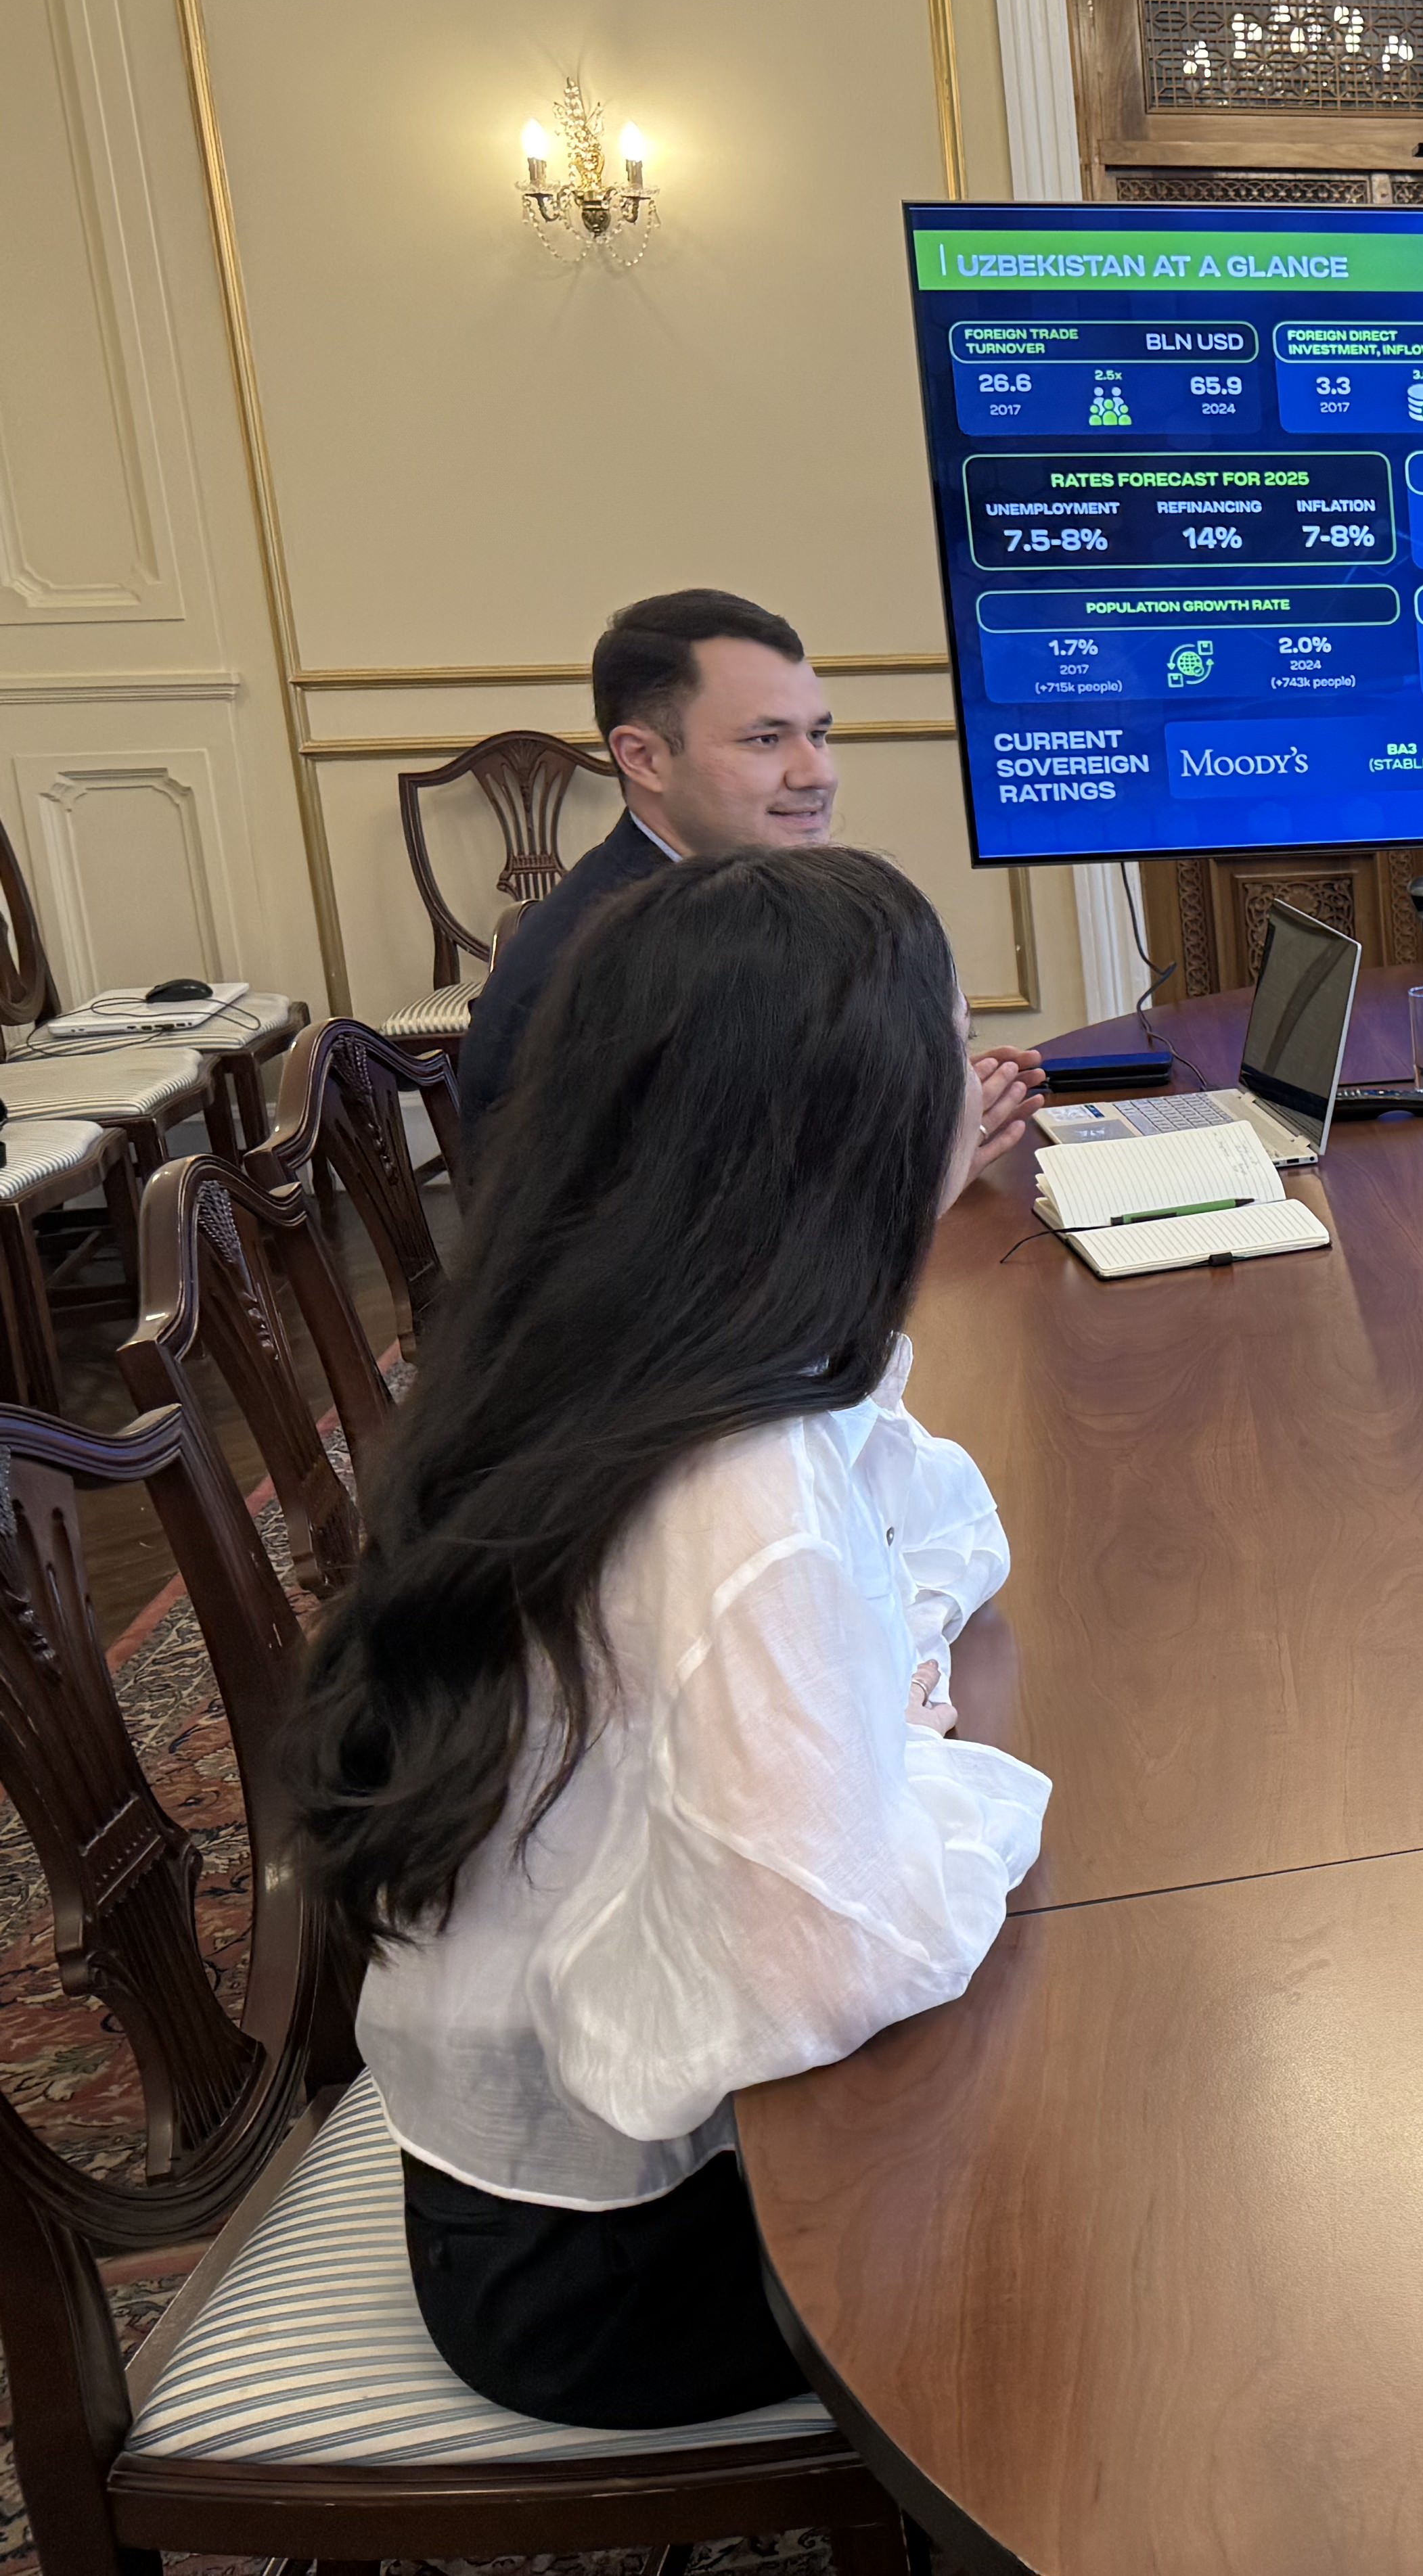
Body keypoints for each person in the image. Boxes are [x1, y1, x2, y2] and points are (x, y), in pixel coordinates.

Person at [284, 848, 1051, 2426]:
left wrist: (882, 1699)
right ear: (854, 1122)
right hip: (606, 2267)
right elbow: (828, 1965)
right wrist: (940, 1775)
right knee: (1126, 2198)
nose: (968, 1101)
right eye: (950, 1055)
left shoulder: (635, 1339)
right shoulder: (741, 1483)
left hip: (516, 2167)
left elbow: (938, 1526)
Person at [453, 589, 1041, 1165]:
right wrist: (933, 1166)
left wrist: (927, 1117)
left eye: (818, 735)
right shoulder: (616, 959)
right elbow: (710, 1215)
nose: (817, 774)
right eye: (766, 740)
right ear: (644, 758)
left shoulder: (734, 902)